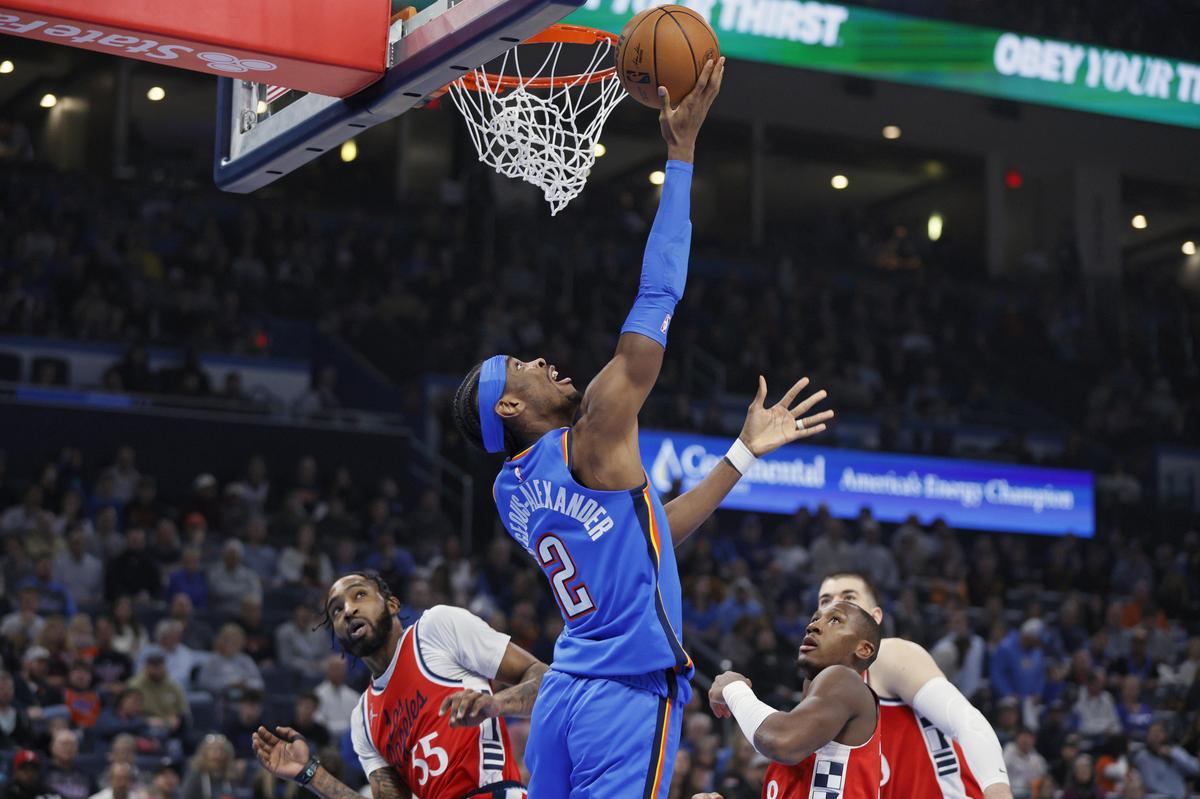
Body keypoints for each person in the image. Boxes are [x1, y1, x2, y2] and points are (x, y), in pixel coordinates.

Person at [453, 58, 840, 799]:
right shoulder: (595, 427)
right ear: (511, 406)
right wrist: (682, 154)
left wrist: (741, 452)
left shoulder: (513, 490)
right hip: (621, 697)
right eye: (522, 367)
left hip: (565, 694)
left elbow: (649, 531)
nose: (540, 361)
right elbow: (659, 290)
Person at [251, 570, 548, 798]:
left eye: (359, 596)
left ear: (392, 604)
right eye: (336, 611)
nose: (348, 610)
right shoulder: (364, 718)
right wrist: (311, 775)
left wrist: (497, 704)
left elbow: (544, 676)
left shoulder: (436, 629)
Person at [817, 573, 1013, 799]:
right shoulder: (821, 694)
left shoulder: (889, 655)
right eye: (825, 600)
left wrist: (998, 792)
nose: (836, 605)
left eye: (849, 597)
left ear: (875, 617)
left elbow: (966, 721)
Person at [697, 601, 882, 799]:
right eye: (814, 619)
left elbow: (781, 741)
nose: (813, 626)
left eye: (835, 620)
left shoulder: (846, 680)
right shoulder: (801, 738)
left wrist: (733, 688)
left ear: (863, 649)